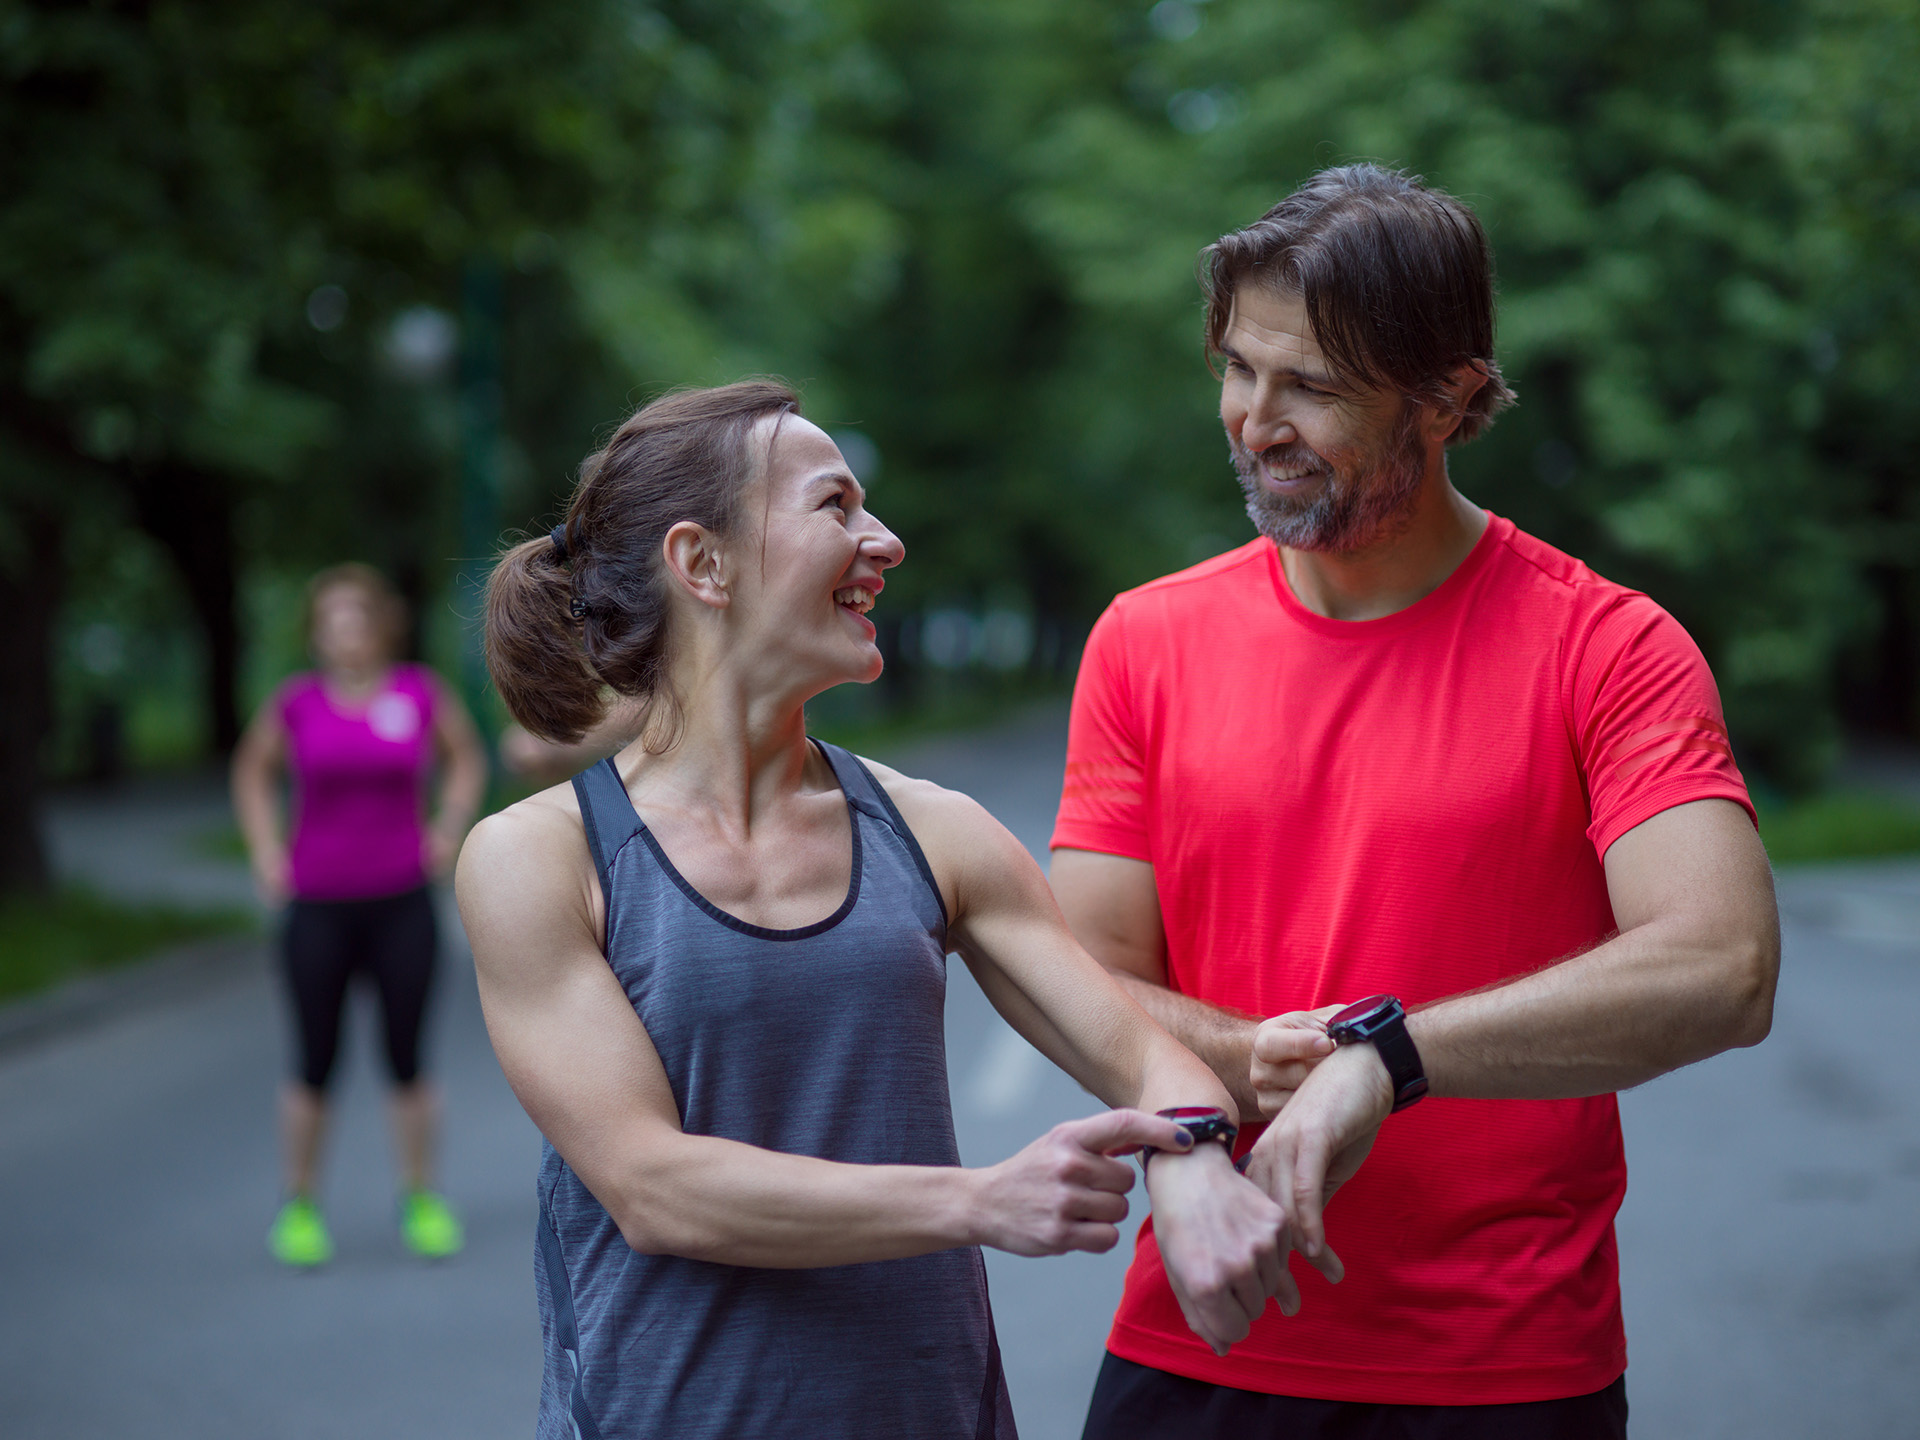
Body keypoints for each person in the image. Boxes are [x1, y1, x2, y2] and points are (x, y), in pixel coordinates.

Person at [1049, 164, 1781, 1439]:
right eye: (1237, 368)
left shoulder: (1609, 647)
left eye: (1312, 387)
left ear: (1447, 400)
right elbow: (1080, 972)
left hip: (1502, 1372)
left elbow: (1724, 966)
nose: (1252, 420)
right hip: (1203, 1333)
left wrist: (1389, 1060)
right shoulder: (1142, 642)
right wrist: (1223, 1075)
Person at [456, 381, 1295, 1439]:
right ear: (701, 563)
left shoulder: (933, 831)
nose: (884, 541)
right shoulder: (541, 856)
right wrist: (979, 1201)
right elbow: (654, 1187)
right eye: (834, 507)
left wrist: (1195, 1160)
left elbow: (1142, 1054)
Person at [232, 563, 488, 1267]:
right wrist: (264, 850)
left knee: (407, 1059)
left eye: (358, 617)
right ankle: (300, 1207)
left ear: (380, 627)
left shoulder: (418, 693)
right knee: (314, 1059)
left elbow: (466, 758)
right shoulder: (297, 705)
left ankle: (421, 1199)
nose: (346, 632)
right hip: (316, 905)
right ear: (316, 633)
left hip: (401, 901)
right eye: (332, 619)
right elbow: (253, 772)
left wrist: (450, 824)